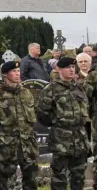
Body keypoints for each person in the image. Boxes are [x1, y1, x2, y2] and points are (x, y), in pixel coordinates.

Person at [0, 61, 38, 189]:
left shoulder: (26, 93)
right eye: (14, 71)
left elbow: (33, 115)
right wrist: (0, 134)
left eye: (18, 71)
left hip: (27, 145)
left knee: (31, 180)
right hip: (7, 146)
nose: (17, 74)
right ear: (5, 75)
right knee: (7, 182)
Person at [37, 57, 90, 190]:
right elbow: (43, 114)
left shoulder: (79, 88)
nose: (71, 70)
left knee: (78, 176)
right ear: (59, 69)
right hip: (61, 139)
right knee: (59, 176)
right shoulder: (51, 89)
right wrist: (59, 123)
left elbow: (86, 111)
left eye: (73, 67)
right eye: (68, 67)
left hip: (79, 138)